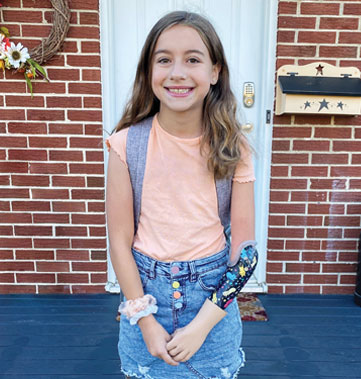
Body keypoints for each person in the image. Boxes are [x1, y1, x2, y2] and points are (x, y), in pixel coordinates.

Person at [105, 10, 257, 379]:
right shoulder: (125, 145)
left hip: (212, 310)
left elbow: (245, 254)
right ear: (149, 72)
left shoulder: (234, 149)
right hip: (144, 302)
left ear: (214, 71)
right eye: (164, 60)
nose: (177, 72)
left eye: (192, 59)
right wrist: (144, 320)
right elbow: (119, 240)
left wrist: (201, 327)